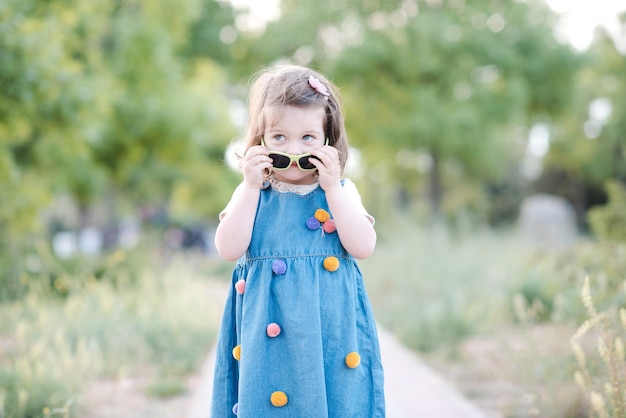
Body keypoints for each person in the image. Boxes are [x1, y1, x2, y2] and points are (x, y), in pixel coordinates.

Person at [211, 64, 385, 417]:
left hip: (329, 333)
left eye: (307, 138)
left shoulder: (341, 191)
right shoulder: (252, 193)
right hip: (267, 331)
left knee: (338, 401)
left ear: (327, 141)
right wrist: (248, 186)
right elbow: (228, 249)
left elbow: (363, 247)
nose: (293, 149)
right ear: (260, 140)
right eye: (279, 138)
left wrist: (332, 188)